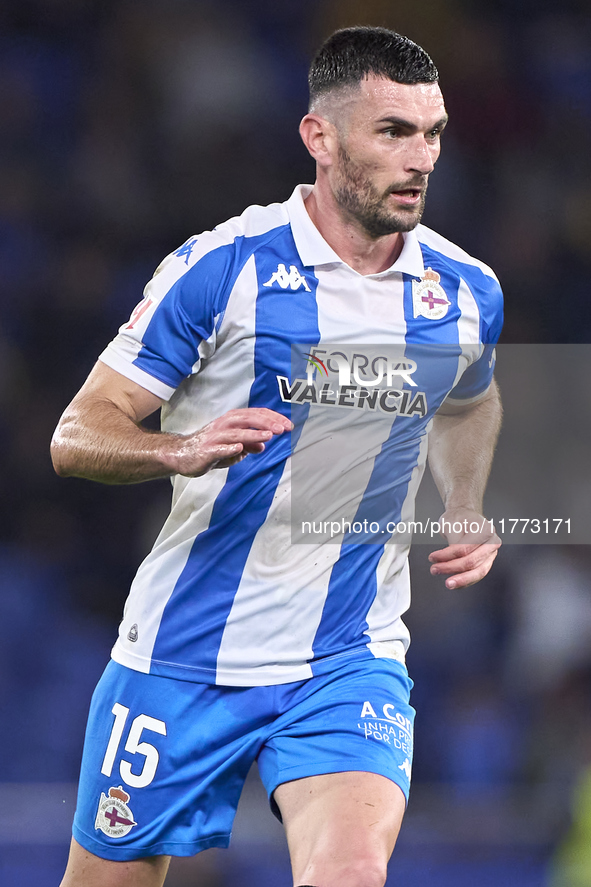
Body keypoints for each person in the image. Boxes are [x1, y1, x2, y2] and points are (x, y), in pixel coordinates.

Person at [51, 25, 503, 887]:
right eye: (393, 132)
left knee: (348, 874)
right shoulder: (222, 269)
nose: (421, 158)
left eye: (433, 132)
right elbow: (77, 433)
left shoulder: (464, 290)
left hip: (347, 654)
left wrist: (467, 500)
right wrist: (174, 448)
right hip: (184, 655)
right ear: (319, 137)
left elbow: (470, 401)